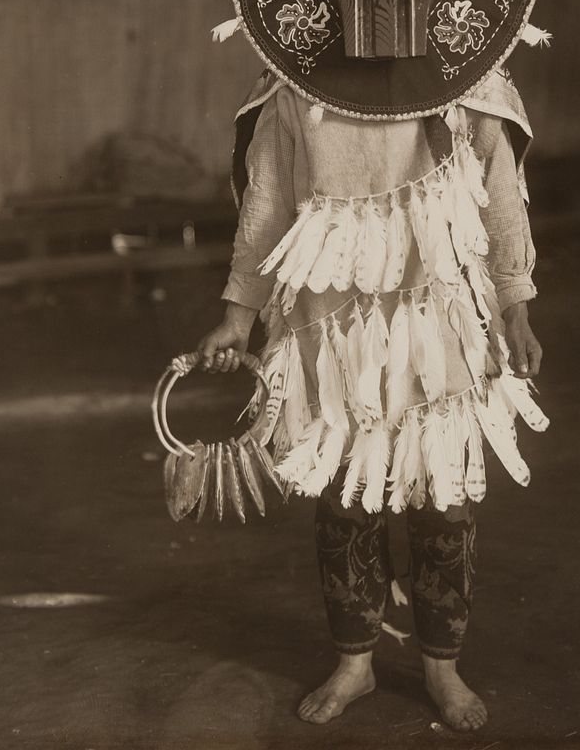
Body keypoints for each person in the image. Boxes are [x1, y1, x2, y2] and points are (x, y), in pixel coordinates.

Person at [197, 66, 544, 732]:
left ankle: (441, 664)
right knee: (343, 497)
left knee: (444, 498)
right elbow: (266, 204)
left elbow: (500, 200)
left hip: (439, 314)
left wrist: (516, 307)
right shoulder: (292, 84)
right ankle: (354, 662)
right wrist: (238, 316)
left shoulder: (473, 80)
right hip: (327, 325)